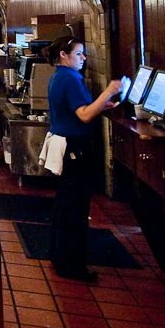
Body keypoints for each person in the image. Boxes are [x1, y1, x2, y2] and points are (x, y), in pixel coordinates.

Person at [46, 36, 122, 283]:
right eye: (79, 54)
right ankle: (71, 265)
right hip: (74, 148)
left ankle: (58, 255)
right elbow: (85, 115)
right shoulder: (70, 79)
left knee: (64, 204)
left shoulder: (60, 76)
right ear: (63, 56)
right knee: (75, 208)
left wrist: (102, 105)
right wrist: (109, 91)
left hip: (64, 143)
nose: (83, 58)